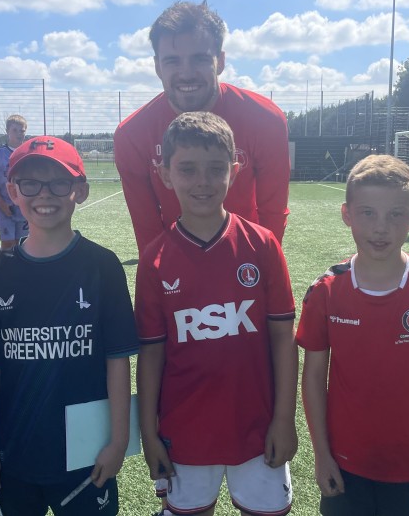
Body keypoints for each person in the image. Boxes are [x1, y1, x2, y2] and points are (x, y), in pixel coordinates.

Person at [135, 112, 297, 516]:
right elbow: (151, 354)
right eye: (187, 169)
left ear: (235, 171)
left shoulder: (262, 246)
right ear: (165, 174)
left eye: (215, 169)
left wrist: (285, 418)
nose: (202, 181)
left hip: (256, 428)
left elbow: (283, 339)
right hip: (183, 431)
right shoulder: (154, 259)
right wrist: (148, 432)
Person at [295, 154, 409, 515]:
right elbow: (313, 377)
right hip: (345, 467)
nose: (381, 228)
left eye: (395, 214)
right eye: (368, 213)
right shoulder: (325, 291)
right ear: (347, 214)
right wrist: (322, 455)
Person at [0, 136, 137, 515]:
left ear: (80, 191)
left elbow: (117, 361)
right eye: (30, 184)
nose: (44, 194)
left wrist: (117, 440)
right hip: (15, 450)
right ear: (12, 191)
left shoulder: (102, 265)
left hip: (86, 453)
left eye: (59, 183)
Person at [114, 0, 290, 256]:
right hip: (179, 261)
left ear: (220, 61)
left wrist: (261, 267)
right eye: (173, 61)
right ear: (157, 66)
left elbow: (273, 214)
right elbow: (146, 228)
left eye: (199, 59)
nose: (186, 73)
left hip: (246, 258)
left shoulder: (266, 119)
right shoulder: (132, 134)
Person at [0, 114, 28, 251]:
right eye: (15, 130)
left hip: (24, 207)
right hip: (5, 207)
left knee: (22, 243)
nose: (19, 134)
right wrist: (1, 203)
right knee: (8, 244)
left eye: (22, 130)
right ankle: (7, 271)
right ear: (7, 131)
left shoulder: (29, 153)